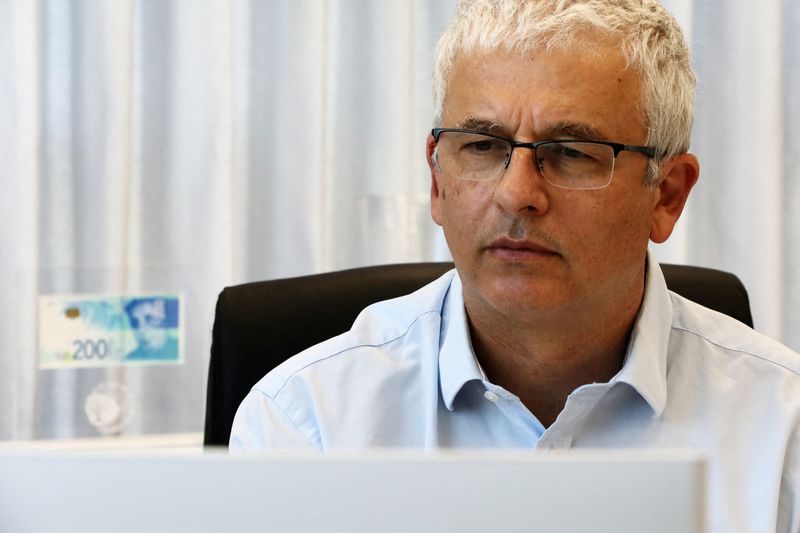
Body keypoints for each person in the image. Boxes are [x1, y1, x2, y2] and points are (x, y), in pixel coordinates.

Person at [231, 1, 800, 530]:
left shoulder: (782, 430)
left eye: (573, 153)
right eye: (481, 145)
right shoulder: (308, 421)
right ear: (436, 180)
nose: (516, 193)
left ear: (667, 195)